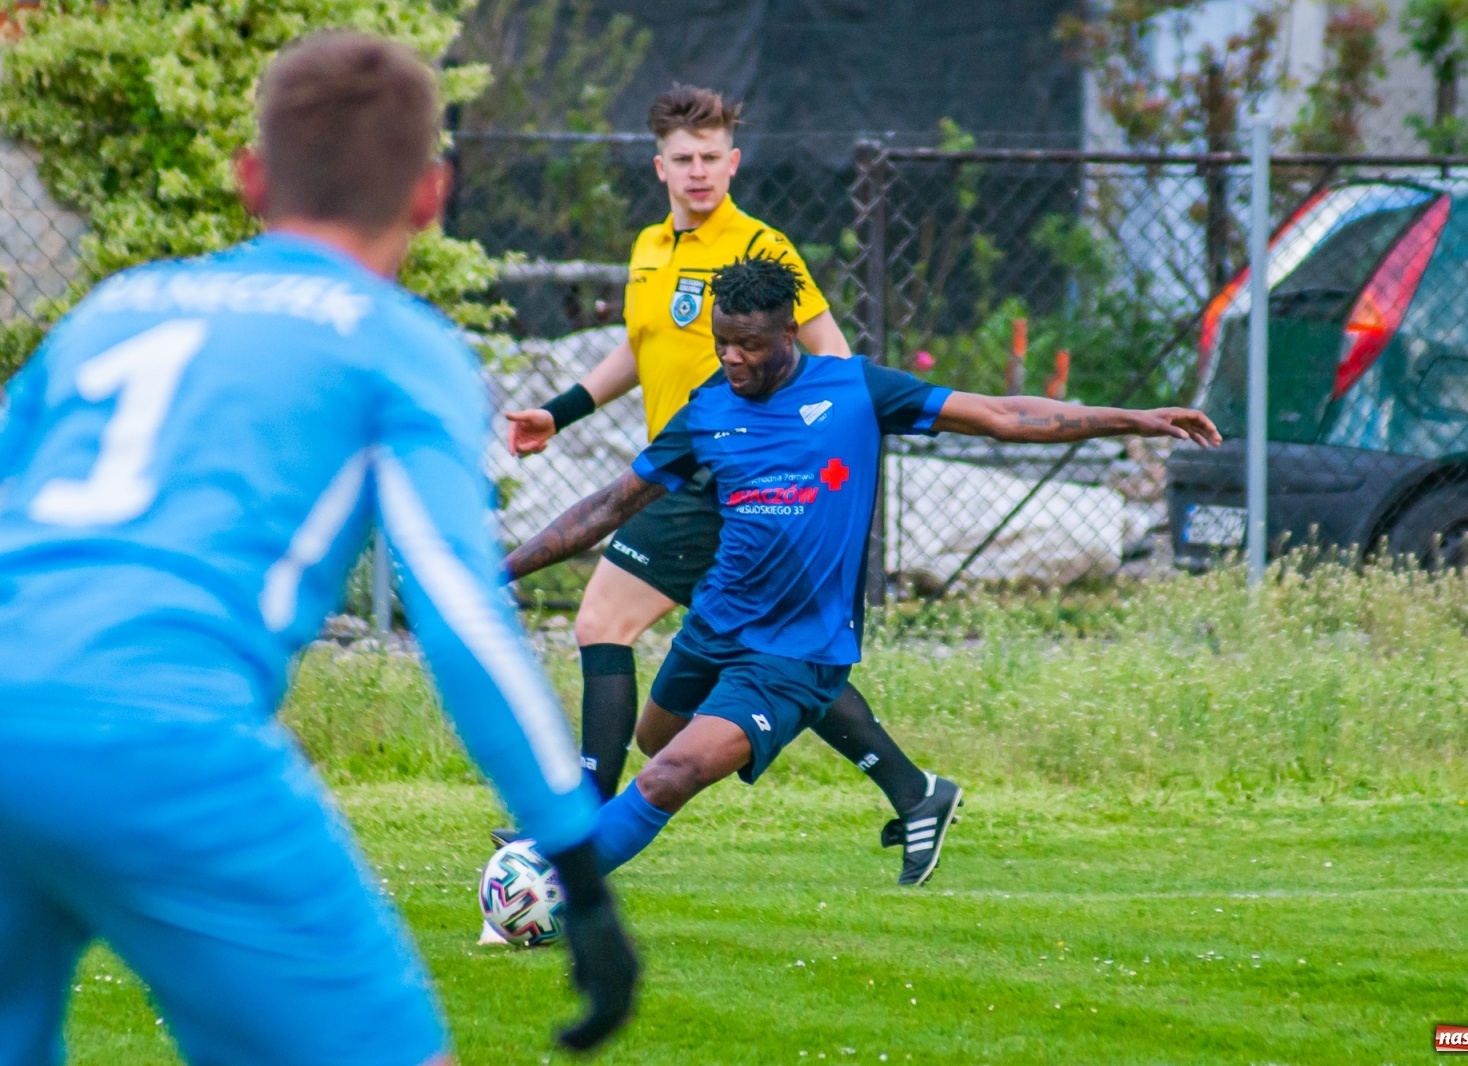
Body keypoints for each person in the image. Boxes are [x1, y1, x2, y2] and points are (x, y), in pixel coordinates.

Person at [0, 32, 635, 1066]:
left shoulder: (114, 311)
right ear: (430, 195)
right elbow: (458, 609)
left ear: (251, 179)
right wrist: (573, 850)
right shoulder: (398, 344)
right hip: (164, 732)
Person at [502, 255, 1222, 879]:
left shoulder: (855, 391)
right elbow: (608, 506)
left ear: (789, 334)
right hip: (714, 624)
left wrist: (1134, 418)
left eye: (749, 345)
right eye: (722, 343)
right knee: (656, 739)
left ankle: (555, 884)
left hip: (796, 649)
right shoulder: (709, 409)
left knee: (671, 773)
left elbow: (1002, 415)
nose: (732, 358)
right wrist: (502, 570)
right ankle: (911, 790)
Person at [502, 84, 956, 886]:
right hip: (683, 471)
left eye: (712, 157)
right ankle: (914, 791)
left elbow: (832, 357)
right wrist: (560, 411)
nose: (699, 171)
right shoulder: (651, 247)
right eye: (684, 158)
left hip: (729, 480)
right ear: (660, 167)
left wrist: (816, 461)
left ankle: (583, 820)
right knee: (773, 655)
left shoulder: (760, 251)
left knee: (602, 620)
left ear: (734, 162)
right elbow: (640, 344)